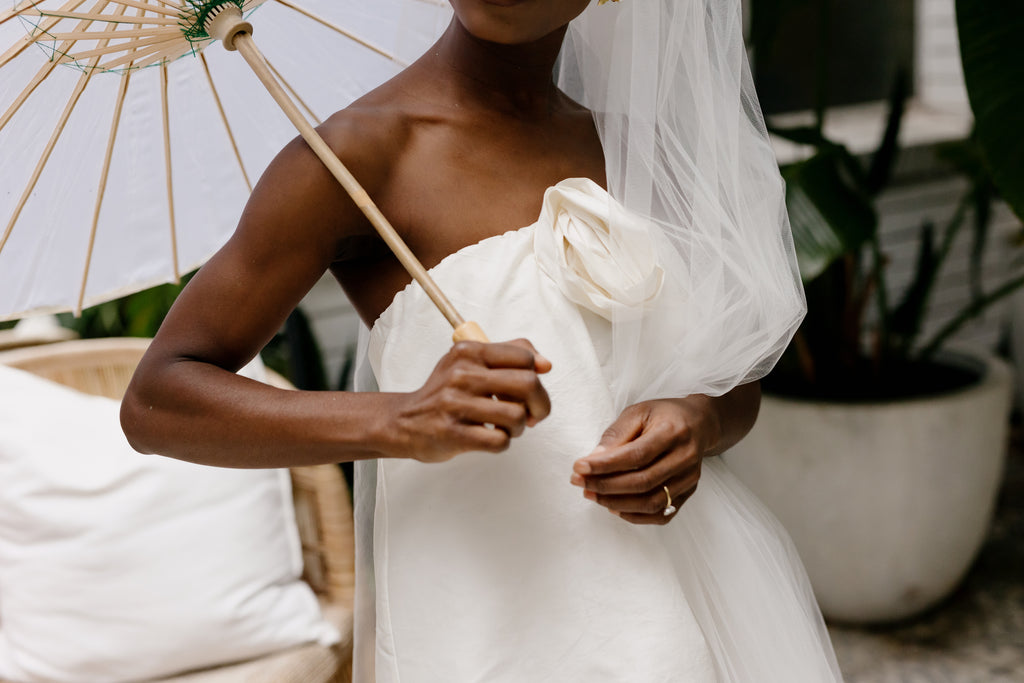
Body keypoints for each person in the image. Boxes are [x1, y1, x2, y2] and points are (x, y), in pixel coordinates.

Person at [122, 0, 843, 680]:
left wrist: (700, 420)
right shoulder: (357, 156)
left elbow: (735, 379)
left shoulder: (642, 152)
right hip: (489, 614)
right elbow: (158, 396)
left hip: (684, 592)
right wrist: (397, 418)